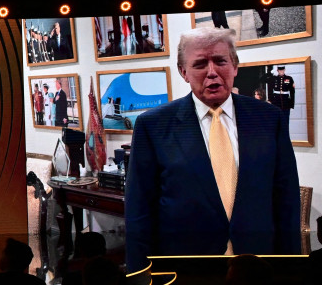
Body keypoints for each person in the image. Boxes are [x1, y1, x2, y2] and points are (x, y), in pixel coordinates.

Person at [125, 28, 299, 272]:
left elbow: (286, 200)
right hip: (186, 271)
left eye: (220, 61)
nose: (212, 72)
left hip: (258, 267)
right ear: (183, 72)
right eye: (199, 64)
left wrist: (291, 270)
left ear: (235, 66)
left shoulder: (269, 118)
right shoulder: (153, 125)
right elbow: (139, 210)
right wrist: (140, 277)